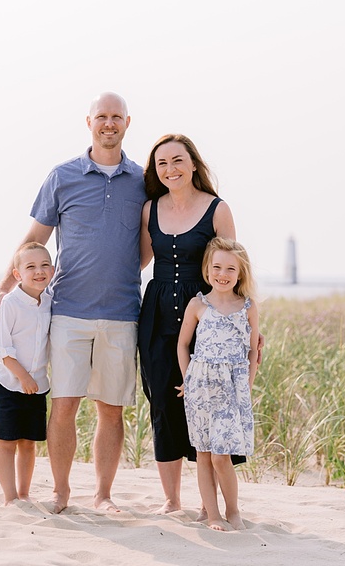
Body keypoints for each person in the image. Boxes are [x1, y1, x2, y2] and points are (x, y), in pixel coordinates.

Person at [0, 92, 146, 514]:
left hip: (121, 313)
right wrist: (6, 286)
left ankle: (104, 495)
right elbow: (34, 240)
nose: (108, 123)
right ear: (89, 122)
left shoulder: (143, 180)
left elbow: (144, 248)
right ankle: (61, 491)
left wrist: (119, 271)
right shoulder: (62, 176)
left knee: (111, 411)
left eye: (116, 117)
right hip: (68, 312)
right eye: (102, 116)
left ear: (127, 123)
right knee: (63, 407)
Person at [137, 133, 238, 515]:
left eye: (177, 160)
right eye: (162, 163)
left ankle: (210, 503)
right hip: (157, 315)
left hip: (206, 318)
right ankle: (172, 499)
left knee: (206, 406)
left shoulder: (217, 209)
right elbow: (140, 263)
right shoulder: (150, 209)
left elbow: (235, 268)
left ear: (193, 163)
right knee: (163, 402)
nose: (170, 169)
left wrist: (249, 324)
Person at [176, 237, 259, 531]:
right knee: (203, 453)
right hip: (200, 386)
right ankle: (212, 515)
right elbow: (183, 345)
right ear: (208, 269)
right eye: (217, 267)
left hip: (233, 387)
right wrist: (188, 378)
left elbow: (253, 351)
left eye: (230, 269)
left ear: (240, 274)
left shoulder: (247, 307)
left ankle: (233, 510)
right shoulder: (198, 305)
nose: (222, 274)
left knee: (222, 455)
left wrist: (247, 385)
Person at [0, 241, 54, 505]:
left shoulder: (50, 302)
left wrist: (34, 379)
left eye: (44, 265)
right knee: (7, 442)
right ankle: (10, 497)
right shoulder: (11, 303)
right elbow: (1, 348)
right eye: (31, 267)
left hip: (37, 385)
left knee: (29, 443)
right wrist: (23, 377)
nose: (39, 271)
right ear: (18, 274)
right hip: (8, 382)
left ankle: (24, 494)